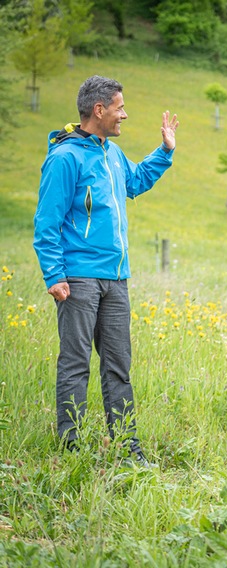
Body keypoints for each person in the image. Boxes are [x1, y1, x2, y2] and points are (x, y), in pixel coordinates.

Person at [33, 75, 179, 467]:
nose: (125, 114)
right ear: (99, 110)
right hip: (78, 279)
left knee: (118, 365)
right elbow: (46, 223)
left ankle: (127, 447)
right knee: (75, 363)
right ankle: (72, 448)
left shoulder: (111, 154)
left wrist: (164, 151)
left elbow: (134, 182)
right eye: (120, 107)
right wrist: (54, 275)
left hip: (116, 279)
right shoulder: (65, 158)